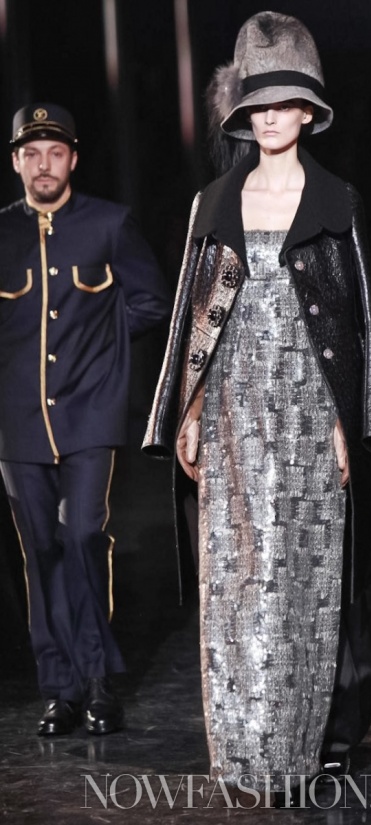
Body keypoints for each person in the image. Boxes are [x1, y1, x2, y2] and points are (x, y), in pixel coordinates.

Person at [143, 11, 371, 802]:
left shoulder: (336, 201)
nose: (271, 116)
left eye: (285, 102)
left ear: (310, 110)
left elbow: (361, 323)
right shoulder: (213, 202)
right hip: (231, 409)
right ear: (242, 112)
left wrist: (350, 421)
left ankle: (311, 743)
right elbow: (193, 319)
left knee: (311, 576)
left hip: (309, 411)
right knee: (237, 576)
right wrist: (186, 413)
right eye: (258, 102)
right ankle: (246, 746)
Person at [0, 103, 171, 736]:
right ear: (16, 162)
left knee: (80, 538)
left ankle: (97, 679)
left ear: (72, 158)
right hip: (17, 420)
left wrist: (103, 352)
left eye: (55, 152)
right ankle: (60, 688)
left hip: (90, 415)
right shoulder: (2, 233)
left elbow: (152, 301)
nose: (44, 164)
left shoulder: (109, 224)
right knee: (40, 551)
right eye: (32, 153)